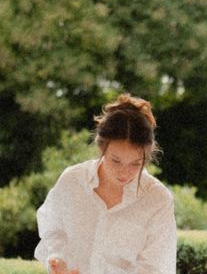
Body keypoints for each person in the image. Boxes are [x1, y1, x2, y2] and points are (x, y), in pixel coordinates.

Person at [34, 94, 177, 274]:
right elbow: (53, 228)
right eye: (116, 161)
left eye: (135, 164)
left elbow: (155, 268)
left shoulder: (157, 200)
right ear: (101, 147)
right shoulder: (73, 181)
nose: (124, 173)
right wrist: (57, 259)